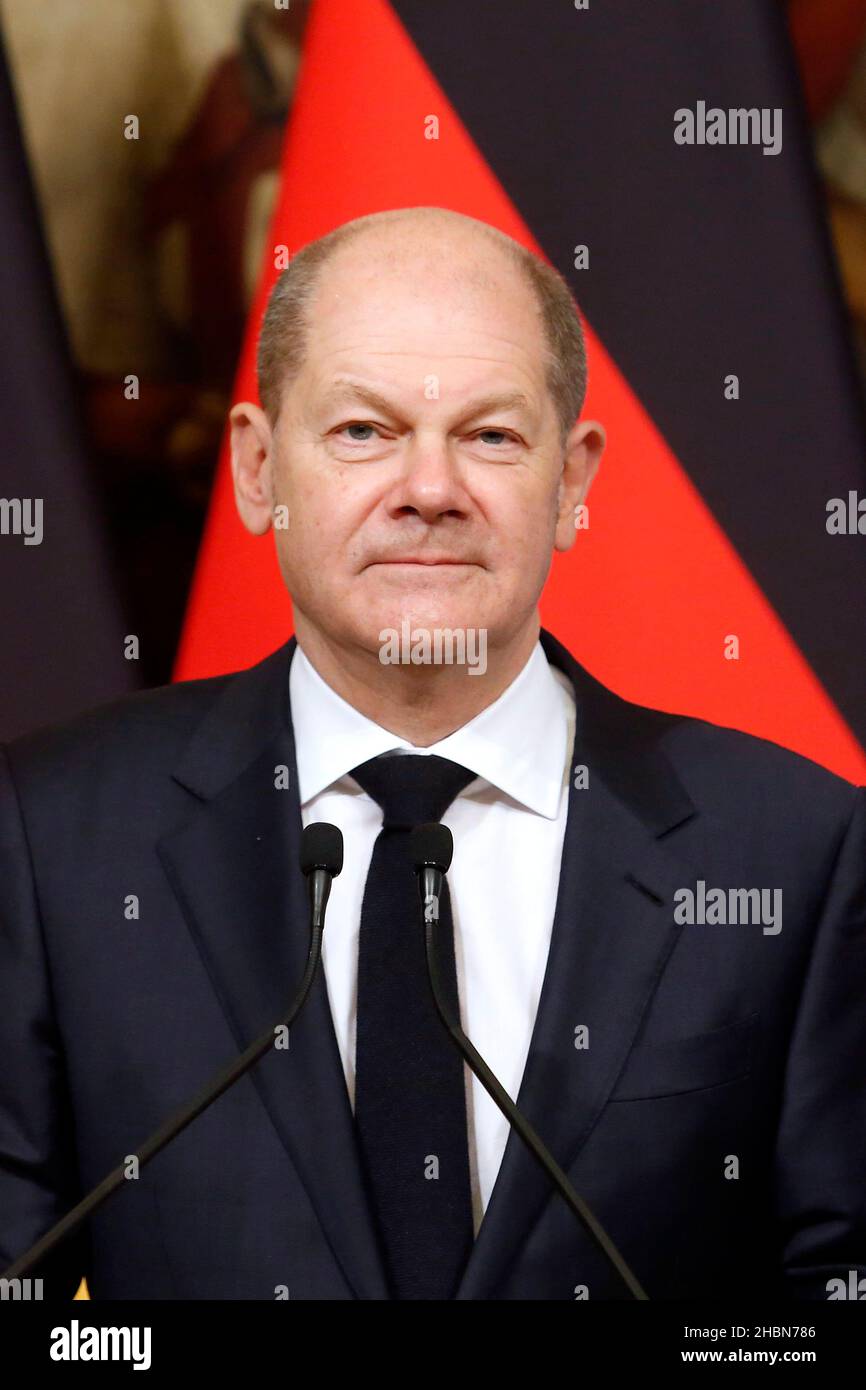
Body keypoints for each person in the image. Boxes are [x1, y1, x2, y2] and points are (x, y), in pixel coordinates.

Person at [1, 207, 863, 1300]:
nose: (427, 487)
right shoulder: (53, 836)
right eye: (361, 431)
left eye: (491, 436)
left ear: (573, 480)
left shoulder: (793, 850)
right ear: (258, 468)